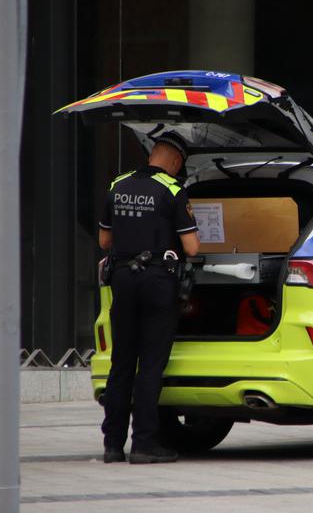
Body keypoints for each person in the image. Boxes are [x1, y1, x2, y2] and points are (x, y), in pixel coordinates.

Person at [98, 132, 200, 464]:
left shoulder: (118, 184)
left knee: (121, 364)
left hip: (122, 279)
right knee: (151, 365)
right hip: (157, 281)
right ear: (175, 160)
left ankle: (112, 445)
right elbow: (192, 248)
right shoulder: (172, 190)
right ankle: (144, 443)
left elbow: (104, 241)